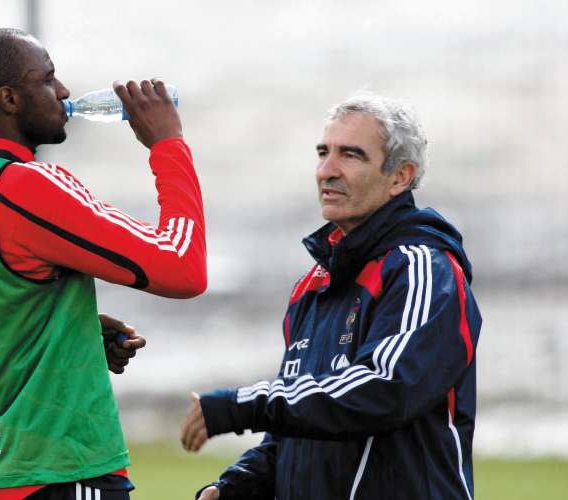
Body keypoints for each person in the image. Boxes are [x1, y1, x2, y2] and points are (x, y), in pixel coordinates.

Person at [0, 28, 206, 500]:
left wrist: (65, 332)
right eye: (49, 78)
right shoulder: (27, 187)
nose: (64, 92)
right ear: (10, 98)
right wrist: (169, 145)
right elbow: (182, 267)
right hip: (64, 475)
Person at [181, 94, 480, 500]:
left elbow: (385, 390)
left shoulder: (423, 270)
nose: (326, 170)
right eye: (324, 152)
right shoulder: (315, 285)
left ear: (400, 177)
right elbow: (300, 426)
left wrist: (243, 405)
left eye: (351, 155)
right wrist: (235, 487)